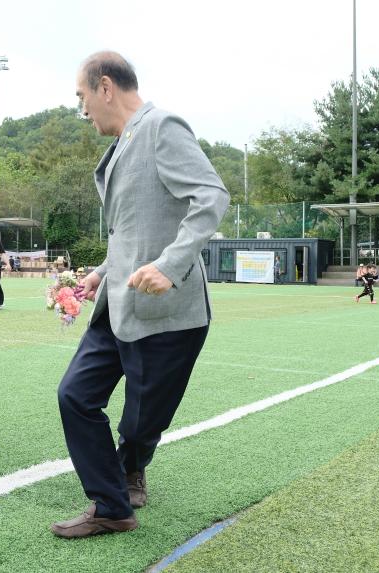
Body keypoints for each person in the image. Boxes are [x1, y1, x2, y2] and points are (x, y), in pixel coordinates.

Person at [51, 52, 229, 538]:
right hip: (118, 305)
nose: (82, 110)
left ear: (105, 87)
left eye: (82, 98)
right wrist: (101, 274)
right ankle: (112, 504)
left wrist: (171, 267)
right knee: (75, 396)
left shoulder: (162, 127)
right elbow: (132, 230)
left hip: (167, 314)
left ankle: (130, 469)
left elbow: (211, 198)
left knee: (139, 425)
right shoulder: (122, 143)